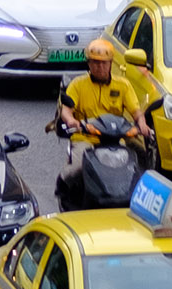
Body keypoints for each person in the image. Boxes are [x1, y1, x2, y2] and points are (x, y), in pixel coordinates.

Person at [55, 40, 148, 203]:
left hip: (115, 139)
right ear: (89, 64)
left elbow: (136, 112)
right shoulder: (77, 85)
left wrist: (142, 124)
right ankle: (63, 188)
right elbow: (66, 110)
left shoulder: (123, 85)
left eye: (103, 63)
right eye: (95, 62)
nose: (99, 67)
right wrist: (71, 121)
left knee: (137, 163)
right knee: (76, 168)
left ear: (111, 63)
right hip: (85, 138)